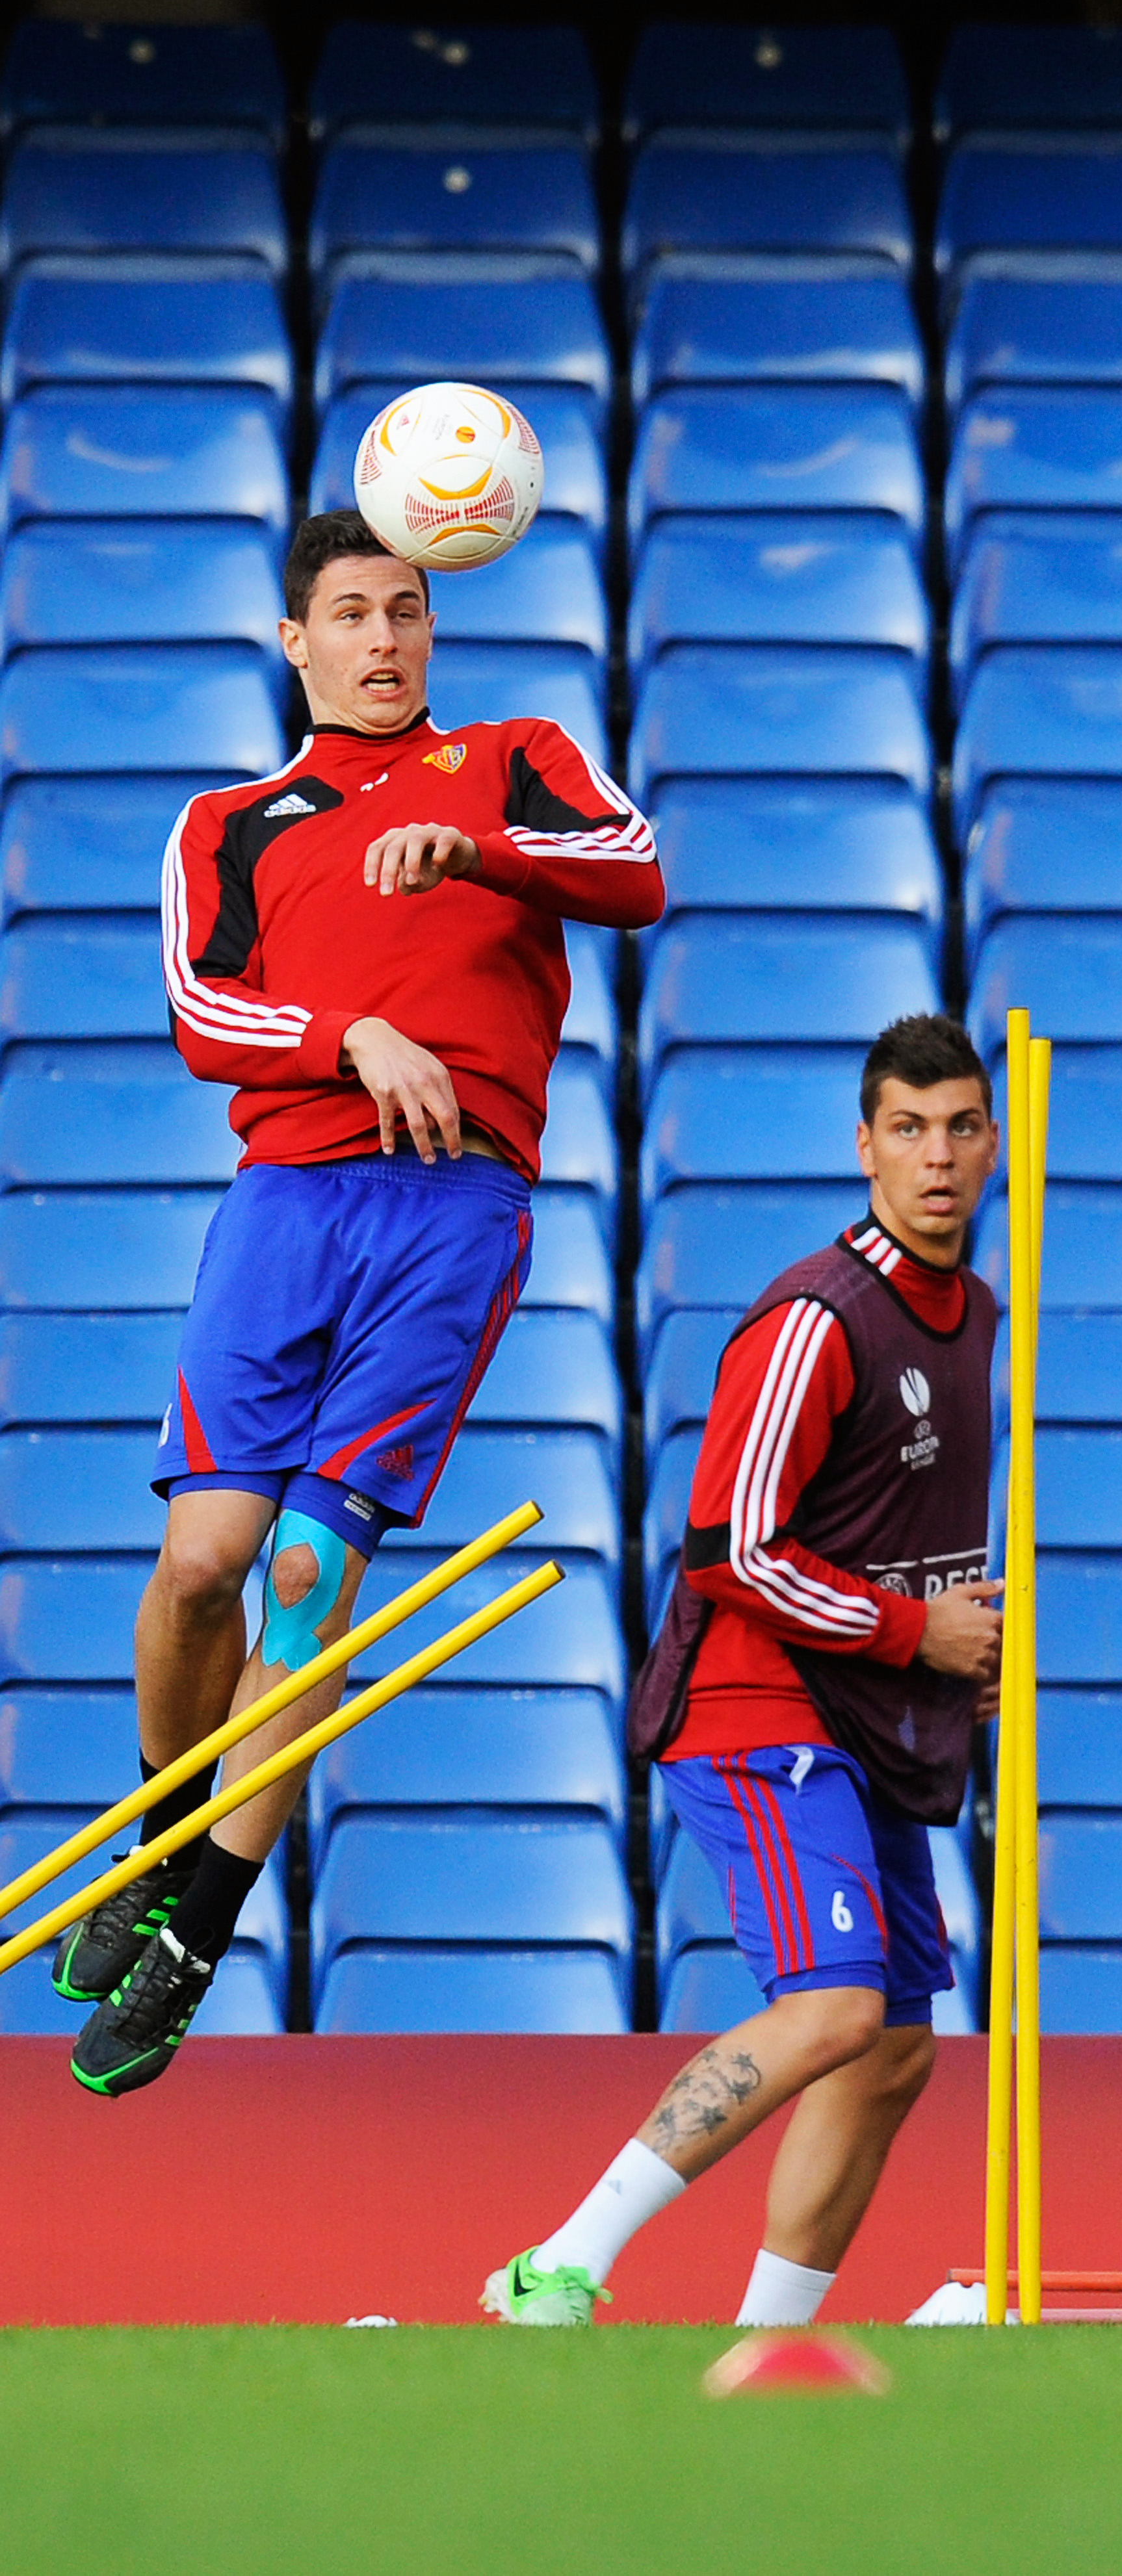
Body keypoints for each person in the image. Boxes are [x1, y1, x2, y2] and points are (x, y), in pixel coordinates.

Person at [61, 509, 666, 2096]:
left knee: (316, 1582)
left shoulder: (515, 758)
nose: (386, 639)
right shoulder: (232, 822)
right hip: (287, 1206)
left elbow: (637, 870)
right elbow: (204, 1012)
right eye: (351, 613)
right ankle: (152, 1836)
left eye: (407, 610)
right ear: (296, 643)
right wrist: (354, 1038)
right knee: (206, 1567)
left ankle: (197, 1935)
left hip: (456, 1208)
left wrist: (480, 850)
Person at [483, 1012, 1003, 2328]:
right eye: (908, 1130)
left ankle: (770, 2339)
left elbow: (902, 1543)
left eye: (959, 1128)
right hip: (758, 1706)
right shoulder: (815, 1317)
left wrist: (958, 1648)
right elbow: (726, 1551)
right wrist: (912, 1637)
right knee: (835, 2012)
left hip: (873, 1722)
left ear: (993, 1143)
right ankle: (561, 2263)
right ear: (865, 1147)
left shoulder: (979, 1313)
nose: (936, 1157)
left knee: (890, 2054)